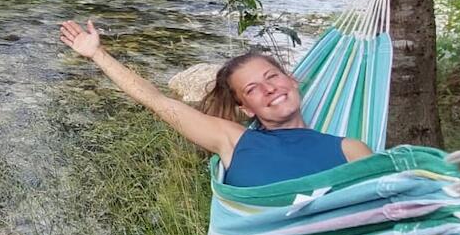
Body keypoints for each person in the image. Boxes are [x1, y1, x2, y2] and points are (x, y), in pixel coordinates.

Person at [58, 19, 372, 186]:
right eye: (252, 88)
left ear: (291, 81)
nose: (269, 89)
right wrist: (97, 54)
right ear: (246, 109)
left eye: (272, 77)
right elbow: (156, 100)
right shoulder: (232, 140)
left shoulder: (350, 149)